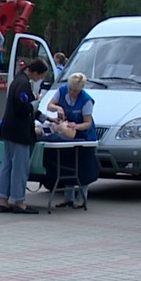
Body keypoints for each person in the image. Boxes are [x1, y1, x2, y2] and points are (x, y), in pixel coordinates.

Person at [0, 58, 51, 214]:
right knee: (20, 168)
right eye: (40, 76)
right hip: (19, 132)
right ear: (34, 72)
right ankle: (19, 201)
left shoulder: (17, 81)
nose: (40, 79)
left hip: (8, 130)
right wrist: (37, 102)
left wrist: (47, 118)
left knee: (7, 166)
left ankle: (3, 200)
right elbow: (24, 108)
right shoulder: (23, 84)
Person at [47, 72, 98, 207]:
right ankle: (68, 197)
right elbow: (49, 105)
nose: (72, 92)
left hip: (84, 136)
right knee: (68, 162)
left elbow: (87, 123)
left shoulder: (86, 100)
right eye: (70, 89)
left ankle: (81, 198)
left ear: (81, 89)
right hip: (69, 135)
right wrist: (58, 108)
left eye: (75, 90)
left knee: (83, 166)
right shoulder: (62, 90)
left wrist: (76, 125)